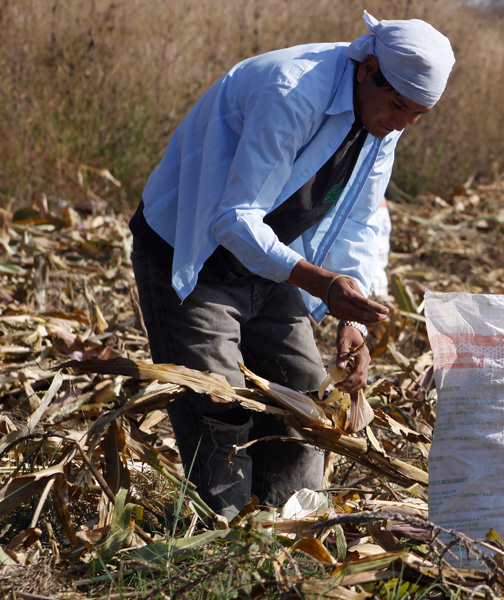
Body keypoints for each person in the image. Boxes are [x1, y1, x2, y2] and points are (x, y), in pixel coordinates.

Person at [129, 11, 455, 519]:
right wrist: (323, 285)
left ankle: (291, 541)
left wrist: (351, 321)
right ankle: (223, 546)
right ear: (368, 67)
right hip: (192, 253)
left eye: (417, 115)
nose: (401, 124)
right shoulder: (291, 91)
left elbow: (358, 222)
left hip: (271, 260)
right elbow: (233, 220)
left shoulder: (381, 122)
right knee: (221, 407)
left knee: (302, 401)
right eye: (397, 106)